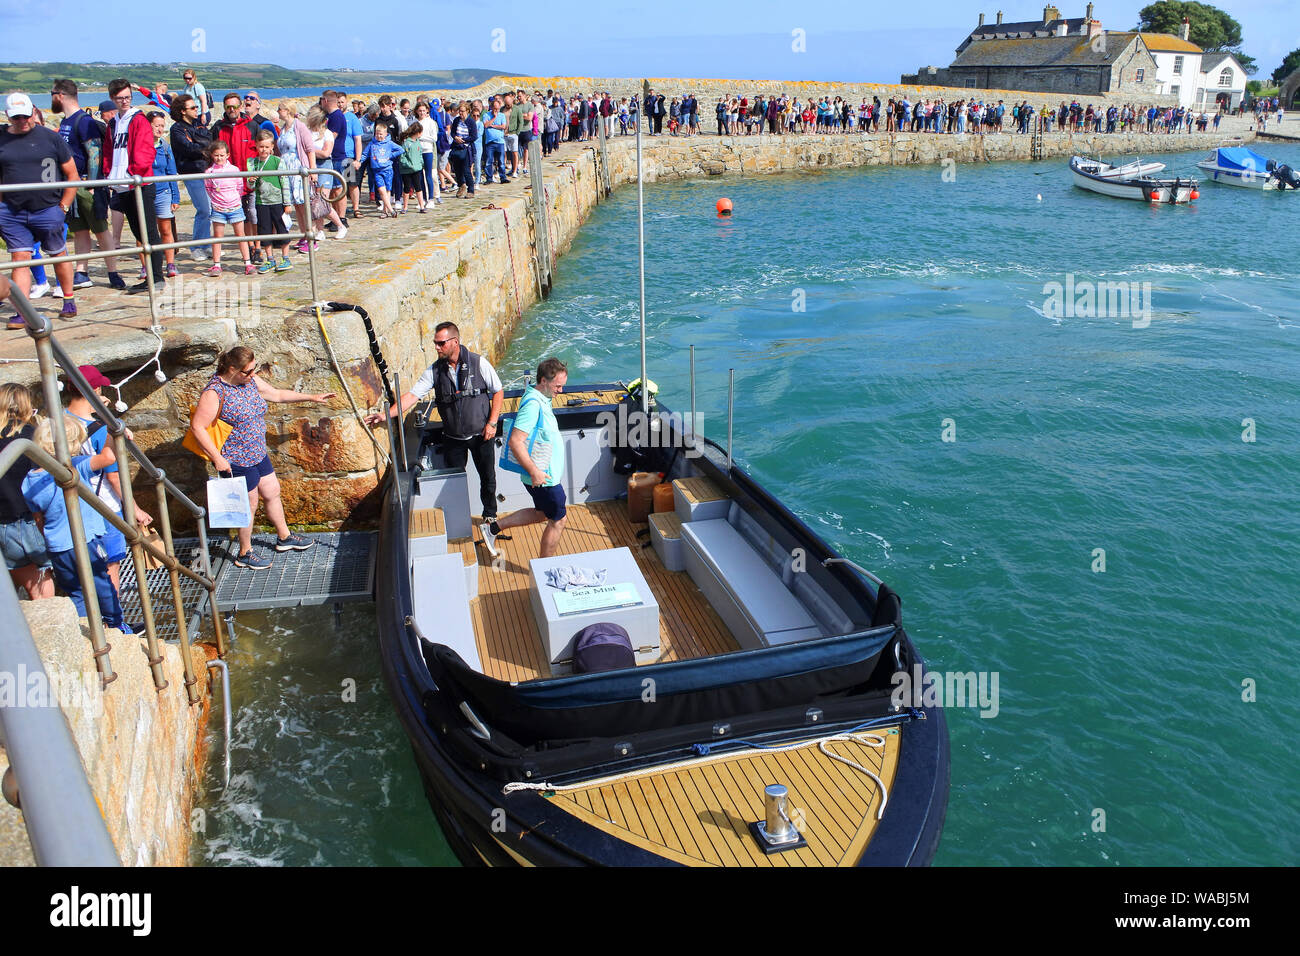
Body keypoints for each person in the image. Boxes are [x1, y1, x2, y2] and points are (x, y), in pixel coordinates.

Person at [189, 346, 334, 569]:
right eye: (247, 371)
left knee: (272, 491)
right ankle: (245, 552)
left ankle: (284, 537)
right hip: (235, 459)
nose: (252, 375)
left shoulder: (250, 381)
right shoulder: (215, 392)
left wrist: (312, 397)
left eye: (253, 369)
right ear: (231, 368)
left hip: (257, 452)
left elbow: (276, 395)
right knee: (248, 504)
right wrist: (217, 458)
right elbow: (198, 427)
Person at [364, 322, 503, 528]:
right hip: (453, 438)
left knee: (488, 478)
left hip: (481, 435)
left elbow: (498, 391)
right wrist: (387, 415)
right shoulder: (434, 371)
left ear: (455, 342)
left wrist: (491, 423)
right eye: (435, 343)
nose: (437, 347)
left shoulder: (478, 363)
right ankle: (459, 519)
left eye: (441, 343)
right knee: (454, 481)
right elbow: (412, 396)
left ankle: (490, 515)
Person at [22, 413, 129, 631]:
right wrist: (113, 430)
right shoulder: (74, 467)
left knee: (76, 592)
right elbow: (108, 457)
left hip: (58, 547)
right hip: (86, 540)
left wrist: (51, 539)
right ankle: (116, 625)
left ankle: (85, 631)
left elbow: (38, 518)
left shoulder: (29, 480)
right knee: (103, 583)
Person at [65, 364, 152, 593]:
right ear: (91, 390)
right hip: (104, 507)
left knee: (86, 565)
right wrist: (134, 508)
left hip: (75, 505)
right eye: (100, 389)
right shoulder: (102, 430)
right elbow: (113, 476)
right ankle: (113, 622)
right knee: (111, 564)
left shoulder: (61, 420)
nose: (103, 393)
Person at [1, 92, 79, 327]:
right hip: (11, 211)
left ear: (34, 111)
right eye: (16, 118)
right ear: (7, 116)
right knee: (20, 257)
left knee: (57, 252)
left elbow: (72, 174)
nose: (22, 121)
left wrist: (63, 206)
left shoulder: (50, 138)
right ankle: (24, 311)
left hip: (47, 208)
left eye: (26, 115)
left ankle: (69, 299)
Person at [480, 358, 568, 558]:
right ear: (544, 381)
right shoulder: (533, 404)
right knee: (558, 520)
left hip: (542, 475)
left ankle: (492, 528)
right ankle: (546, 565)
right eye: (558, 386)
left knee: (542, 513)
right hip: (543, 477)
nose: (561, 391)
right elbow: (515, 441)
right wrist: (534, 472)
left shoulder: (541, 397)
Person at [50, 79, 120, 290]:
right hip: (71, 184)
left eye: (52, 93)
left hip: (85, 184)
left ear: (60, 95)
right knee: (79, 230)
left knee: (100, 229)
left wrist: (91, 184)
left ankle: (113, 272)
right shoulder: (65, 122)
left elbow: (94, 152)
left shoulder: (84, 121)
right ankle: (82, 271)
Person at [101, 79, 166, 293]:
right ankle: (150, 276)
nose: (124, 101)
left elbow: (146, 150)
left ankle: (157, 278)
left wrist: (134, 173)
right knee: (139, 232)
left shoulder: (138, 120)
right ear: (113, 99)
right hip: (121, 184)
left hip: (139, 183)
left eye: (127, 97)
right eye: (120, 98)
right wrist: (108, 172)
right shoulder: (114, 123)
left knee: (149, 231)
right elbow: (109, 150)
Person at [0, 381, 55, 600]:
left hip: (2, 522)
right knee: (41, 588)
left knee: (16, 584)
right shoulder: (33, 435)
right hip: (31, 518)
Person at [168, 93, 212, 261]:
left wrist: (200, 145)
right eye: (193, 107)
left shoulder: (198, 125)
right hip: (191, 172)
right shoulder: (177, 129)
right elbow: (189, 148)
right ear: (182, 111)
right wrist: (201, 147)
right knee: (204, 209)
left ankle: (206, 244)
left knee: (210, 209)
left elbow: (209, 141)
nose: (196, 109)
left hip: (205, 170)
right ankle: (196, 247)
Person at [202, 141, 252, 276]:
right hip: (218, 208)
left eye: (222, 155)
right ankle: (217, 264)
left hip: (235, 206)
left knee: (240, 235)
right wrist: (216, 202)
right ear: (212, 155)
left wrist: (234, 199)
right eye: (216, 155)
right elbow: (209, 189)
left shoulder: (234, 170)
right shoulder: (209, 172)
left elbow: (239, 187)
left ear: (227, 155)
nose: (219, 158)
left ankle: (247, 262)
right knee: (218, 236)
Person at [148, 112, 180, 278]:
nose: (160, 129)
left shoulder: (165, 147)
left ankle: (170, 263)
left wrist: (175, 197)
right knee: (145, 230)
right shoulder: (141, 145)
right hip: (146, 192)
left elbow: (172, 172)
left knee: (165, 229)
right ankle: (147, 266)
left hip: (163, 192)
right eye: (156, 125)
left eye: (162, 125)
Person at [446, 101, 477, 198]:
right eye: (460, 111)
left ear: (467, 111)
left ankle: (471, 190)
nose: (461, 113)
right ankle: (461, 185)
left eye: (463, 111)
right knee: (457, 169)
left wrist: (463, 140)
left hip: (466, 148)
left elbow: (473, 136)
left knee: (466, 170)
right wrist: (456, 138)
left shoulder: (471, 122)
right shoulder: (456, 120)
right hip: (457, 147)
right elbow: (452, 132)